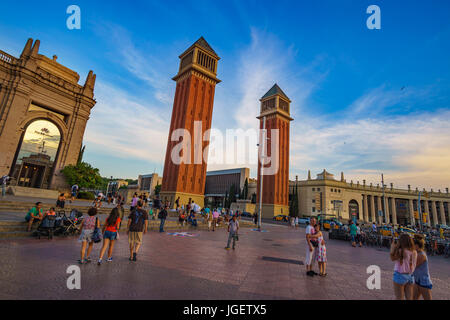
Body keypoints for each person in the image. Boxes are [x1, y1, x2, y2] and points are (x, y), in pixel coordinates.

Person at [390, 233, 417, 300]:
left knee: (399, 298)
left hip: (400, 275)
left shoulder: (401, 251)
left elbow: (392, 258)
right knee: (409, 298)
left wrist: (392, 248)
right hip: (410, 276)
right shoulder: (414, 252)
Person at [412, 234, 432, 300]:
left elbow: (412, 266)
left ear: (417, 245)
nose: (411, 246)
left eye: (412, 244)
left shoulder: (422, 255)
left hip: (424, 282)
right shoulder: (416, 253)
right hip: (417, 280)